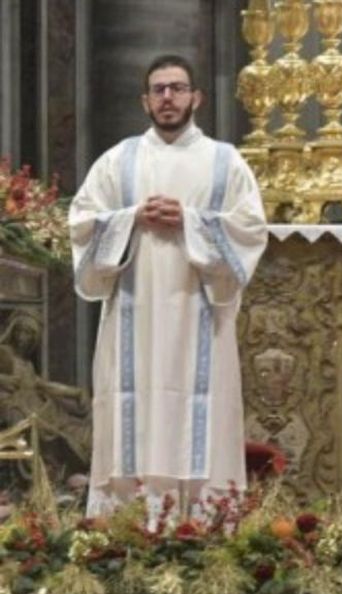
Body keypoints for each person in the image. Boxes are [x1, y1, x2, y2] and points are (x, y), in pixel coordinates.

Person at [69, 55, 267, 517]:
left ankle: (203, 525)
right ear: (145, 100)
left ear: (195, 97)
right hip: (132, 317)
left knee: (200, 410)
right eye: (158, 90)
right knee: (129, 408)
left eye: (177, 88)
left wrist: (191, 222)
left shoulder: (224, 162)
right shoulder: (118, 161)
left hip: (199, 314)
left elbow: (251, 230)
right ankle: (127, 528)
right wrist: (130, 218)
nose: (168, 98)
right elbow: (81, 222)